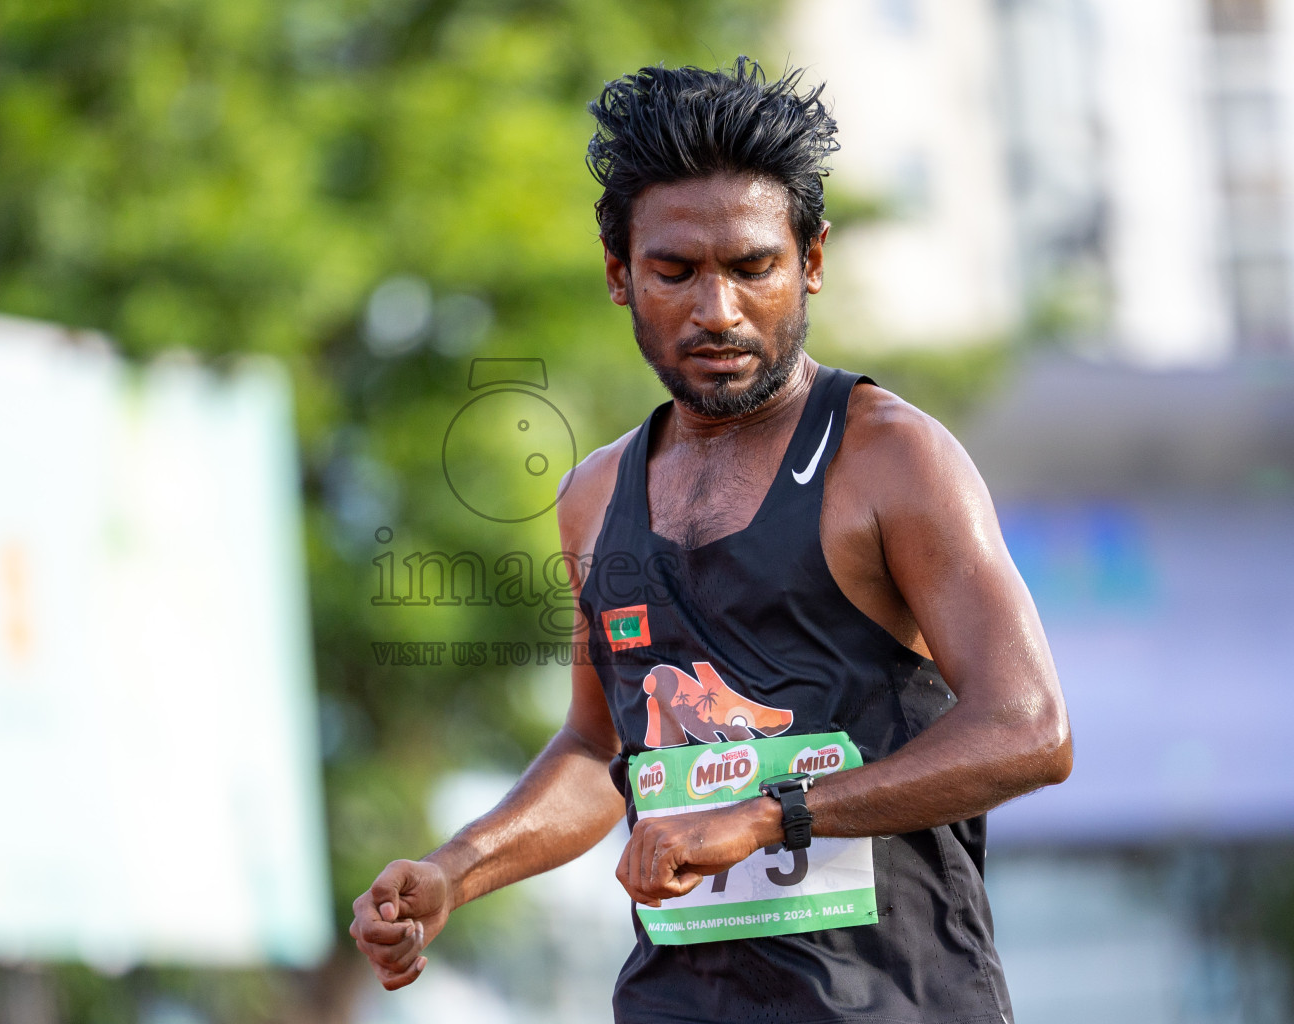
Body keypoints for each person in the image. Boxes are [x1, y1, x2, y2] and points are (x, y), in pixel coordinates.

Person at [350, 57, 1071, 1023]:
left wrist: (772, 816)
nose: (718, 311)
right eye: (676, 272)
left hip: (895, 1004)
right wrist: (454, 873)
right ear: (620, 276)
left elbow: (1030, 730)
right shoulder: (596, 493)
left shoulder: (889, 457)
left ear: (809, 261)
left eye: (752, 267)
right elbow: (598, 748)